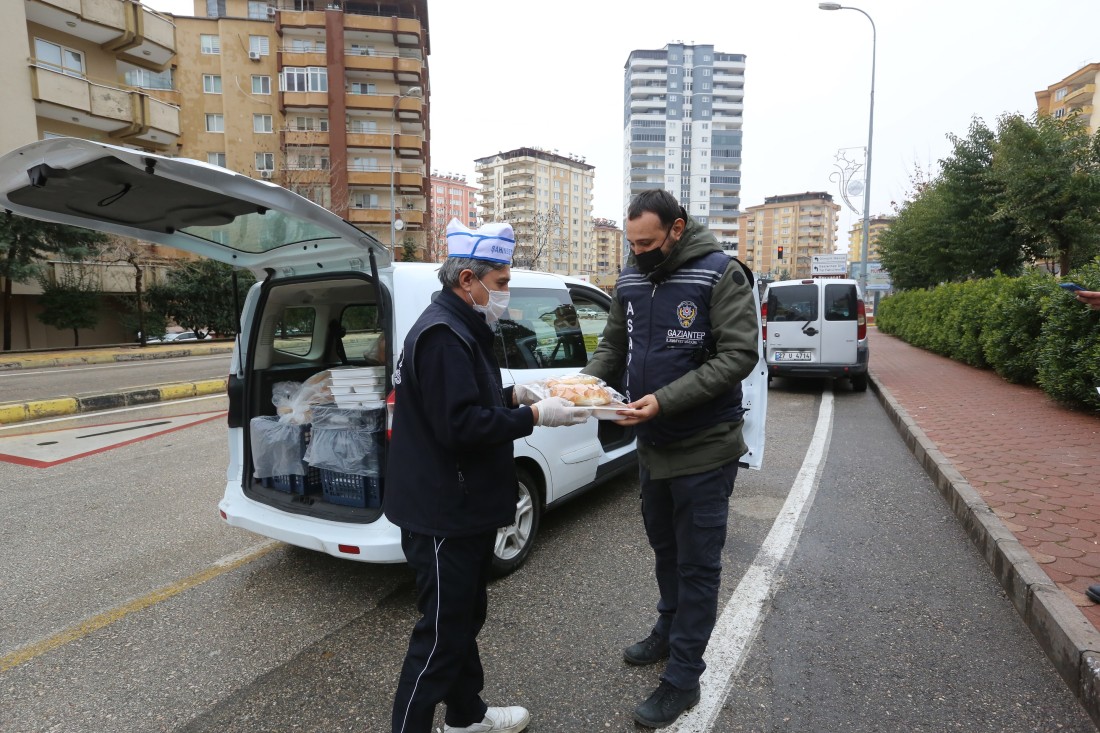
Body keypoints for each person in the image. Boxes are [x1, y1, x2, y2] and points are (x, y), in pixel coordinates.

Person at [384, 219, 588, 733]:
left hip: (460, 506)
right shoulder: (442, 335)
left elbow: (461, 404)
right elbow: (459, 427)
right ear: (467, 279)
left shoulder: (460, 328)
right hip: (441, 513)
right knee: (438, 636)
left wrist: (513, 397)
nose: (505, 295)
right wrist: (534, 417)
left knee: (462, 619)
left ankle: (466, 715)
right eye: (500, 284)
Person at [581, 189, 760, 728]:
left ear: (677, 229)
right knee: (664, 548)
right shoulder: (632, 278)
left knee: (698, 563)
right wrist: (581, 386)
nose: (638, 253)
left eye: (648, 243)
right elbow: (615, 346)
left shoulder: (719, 273)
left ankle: (683, 679)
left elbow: (739, 355)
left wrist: (664, 400)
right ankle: (667, 630)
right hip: (652, 446)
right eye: (632, 243)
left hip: (704, 444)